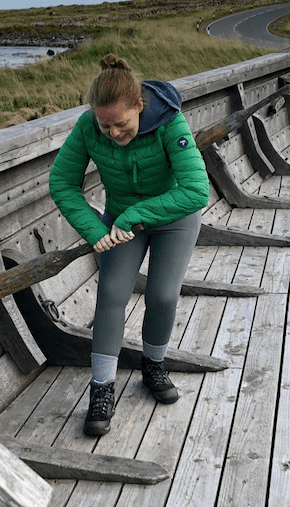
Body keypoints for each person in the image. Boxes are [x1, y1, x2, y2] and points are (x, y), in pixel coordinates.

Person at [48, 54, 209, 436]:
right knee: (112, 293)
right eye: (106, 126)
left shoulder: (171, 122)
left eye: (122, 124)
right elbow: (62, 183)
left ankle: (153, 366)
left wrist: (132, 216)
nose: (114, 134)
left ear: (140, 106)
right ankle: (102, 388)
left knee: (163, 296)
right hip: (120, 225)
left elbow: (196, 190)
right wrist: (95, 231)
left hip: (173, 219)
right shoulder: (88, 127)